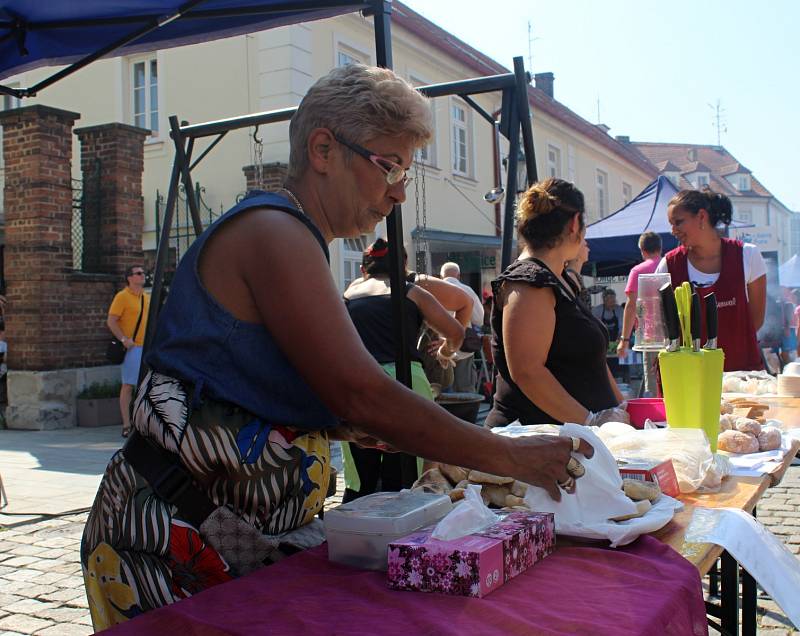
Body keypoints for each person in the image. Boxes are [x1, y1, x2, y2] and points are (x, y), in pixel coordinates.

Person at [81, 65, 592, 630]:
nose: (398, 191)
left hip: (220, 537)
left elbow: (257, 383)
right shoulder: (274, 232)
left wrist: (341, 425)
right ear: (324, 148)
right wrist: (509, 457)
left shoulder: (293, 236)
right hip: (164, 535)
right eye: (389, 166)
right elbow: (359, 392)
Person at [485, 177, 627, 428]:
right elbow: (527, 371)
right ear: (575, 224)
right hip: (535, 444)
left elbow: (593, 362)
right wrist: (590, 421)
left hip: (566, 442)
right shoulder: (528, 282)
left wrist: (622, 409)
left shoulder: (557, 280)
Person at [342, 239, 463, 501]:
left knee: (362, 477)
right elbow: (456, 332)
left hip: (359, 383)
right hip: (406, 383)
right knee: (407, 477)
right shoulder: (411, 292)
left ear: (364, 270)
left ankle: (353, 532)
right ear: (403, 265)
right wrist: (444, 351)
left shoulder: (349, 293)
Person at [656, 189, 766, 371]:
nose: (673, 231)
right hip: (690, 374)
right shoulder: (668, 264)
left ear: (701, 216)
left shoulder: (748, 254)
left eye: (678, 222)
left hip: (741, 375)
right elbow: (663, 326)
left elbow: (756, 320)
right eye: (671, 224)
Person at [106, 265, 149, 437]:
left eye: (143, 273)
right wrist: (124, 339)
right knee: (128, 385)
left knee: (145, 385)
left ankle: (142, 422)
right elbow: (111, 321)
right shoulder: (122, 297)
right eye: (139, 273)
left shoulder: (146, 297)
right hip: (131, 348)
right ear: (129, 278)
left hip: (145, 347)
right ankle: (126, 424)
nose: (142, 275)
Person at [617, 231, 662, 395]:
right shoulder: (669, 265)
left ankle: (657, 419)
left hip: (650, 338)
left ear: (642, 250)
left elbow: (631, 306)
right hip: (673, 336)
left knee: (653, 387)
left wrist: (625, 339)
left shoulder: (638, 271)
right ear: (660, 248)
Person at [439, 261, 483, 393]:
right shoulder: (467, 290)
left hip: (439, 348)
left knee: (441, 391)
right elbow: (479, 320)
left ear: (441, 276)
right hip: (463, 348)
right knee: (465, 390)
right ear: (459, 276)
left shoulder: (434, 289)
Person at [592, 288, 625, 381]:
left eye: (613, 301)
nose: (612, 303)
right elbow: (594, 327)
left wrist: (619, 339)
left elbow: (622, 327)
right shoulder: (596, 311)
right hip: (601, 341)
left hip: (616, 342)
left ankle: (619, 378)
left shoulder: (619, 310)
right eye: (610, 301)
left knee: (617, 366)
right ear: (604, 300)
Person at [564, 239, 591, 307]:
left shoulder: (574, 275)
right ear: (576, 250)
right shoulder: (570, 276)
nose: (588, 249)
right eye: (585, 246)